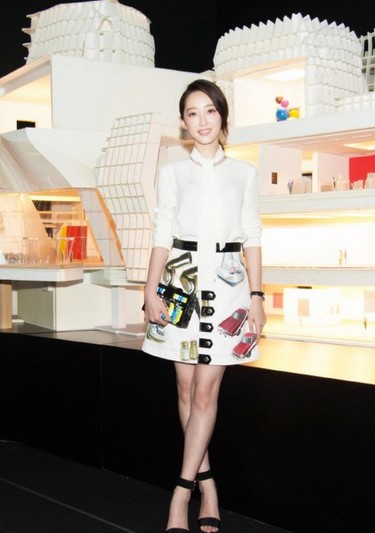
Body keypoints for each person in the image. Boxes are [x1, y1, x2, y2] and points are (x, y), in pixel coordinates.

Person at [142, 79, 266, 533]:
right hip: (181, 281)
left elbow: (252, 234)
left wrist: (257, 296)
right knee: (184, 389)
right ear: (183, 122)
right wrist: (150, 289)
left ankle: (181, 494)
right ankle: (208, 484)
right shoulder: (172, 172)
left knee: (205, 393)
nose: (202, 120)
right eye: (192, 113)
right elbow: (162, 232)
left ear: (222, 116)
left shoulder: (245, 173)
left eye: (210, 110)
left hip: (229, 285)